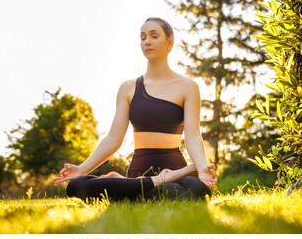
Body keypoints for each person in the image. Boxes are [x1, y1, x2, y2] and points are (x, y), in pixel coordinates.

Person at [54, 17, 217, 201]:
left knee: (197, 190)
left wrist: (202, 167)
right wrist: (82, 168)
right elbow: (114, 138)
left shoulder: (188, 86)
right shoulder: (128, 88)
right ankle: (143, 183)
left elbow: (194, 136)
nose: (147, 41)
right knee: (77, 185)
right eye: (143, 37)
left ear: (169, 43)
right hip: (139, 171)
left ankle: (129, 187)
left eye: (154, 36)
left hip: (177, 171)